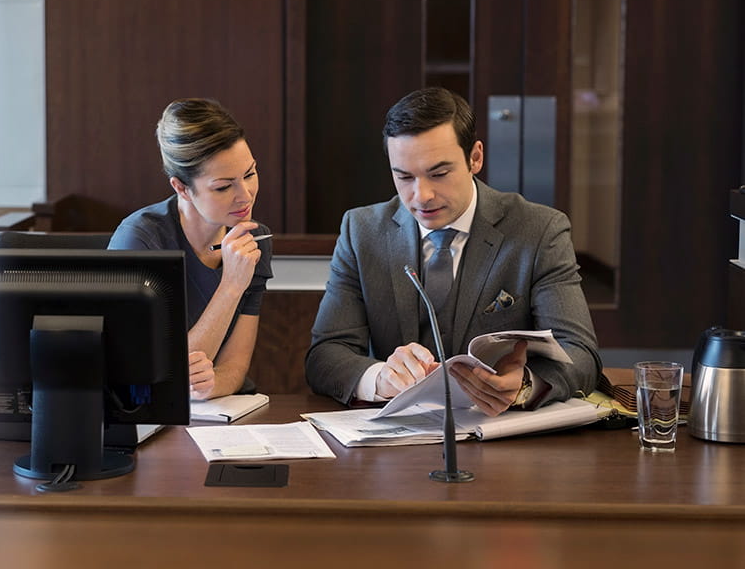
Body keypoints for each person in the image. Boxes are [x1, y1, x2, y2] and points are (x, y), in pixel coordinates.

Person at [305, 87, 600, 416]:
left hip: (501, 436)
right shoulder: (362, 232)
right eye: (404, 177)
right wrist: (380, 378)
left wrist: (525, 385)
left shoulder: (539, 231)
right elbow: (326, 355)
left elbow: (581, 353)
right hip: (394, 442)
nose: (422, 196)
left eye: (439, 174)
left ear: (475, 157)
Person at [109, 98, 273, 400]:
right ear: (181, 187)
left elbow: (235, 366)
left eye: (249, 174)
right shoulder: (140, 241)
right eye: (223, 187)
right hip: (152, 416)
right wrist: (231, 286)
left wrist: (211, 386)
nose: (245, 195)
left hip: (220, 409)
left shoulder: (253, 238)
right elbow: (161, 376)